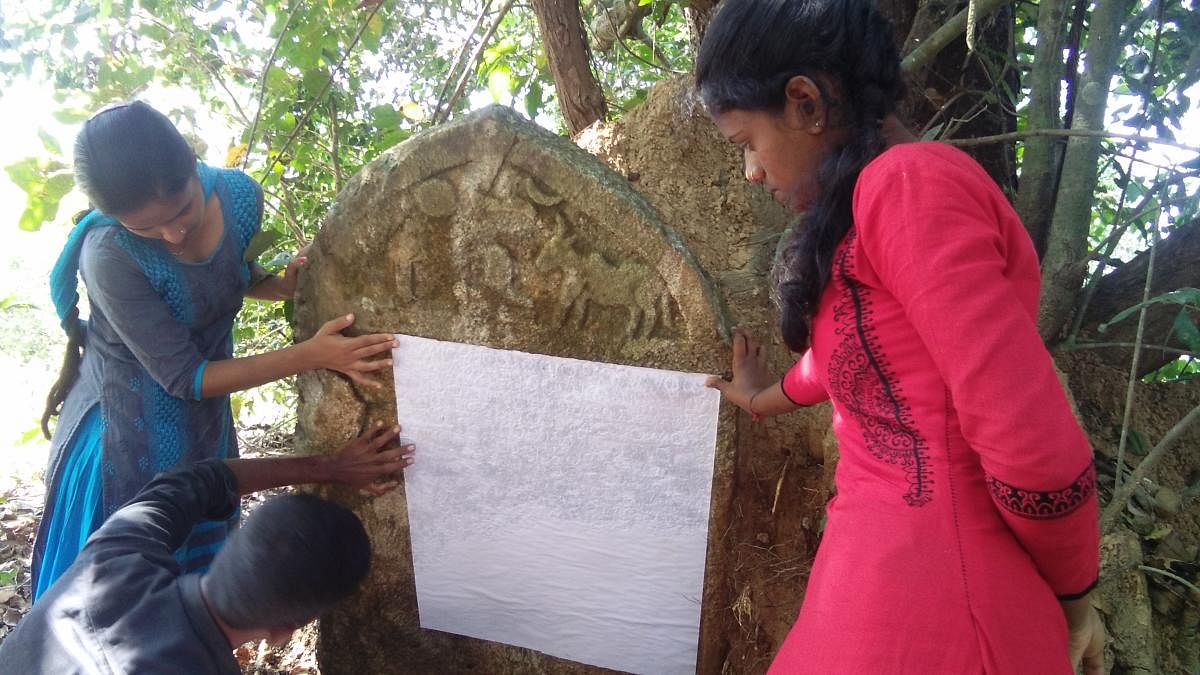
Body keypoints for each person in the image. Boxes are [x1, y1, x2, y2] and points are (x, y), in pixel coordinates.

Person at [697, 0, 1104, 672]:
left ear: (805, 102)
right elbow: (838, 365)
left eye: (746, 144)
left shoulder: (910, 184)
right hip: (864, 594)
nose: (752, 172)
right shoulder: (864, 212)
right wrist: (760, 398)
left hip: (945, 612)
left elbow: (1036, 451)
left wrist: (1075, 608)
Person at [33, 100, 400, 600]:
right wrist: (312, 355)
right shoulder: (109, 255)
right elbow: (186, 378)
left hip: (204, 418)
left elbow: (226, 278)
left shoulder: (240, 197)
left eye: (182, 210)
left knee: (201, 552)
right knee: (128, 594)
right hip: (126, 431)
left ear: (191, 164)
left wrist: (280, 285)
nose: (174, 234)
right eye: (148, 228)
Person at [1, 423, 412, 674]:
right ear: (288, 630)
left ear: (234, 541)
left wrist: (327, 467)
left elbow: (196, 480)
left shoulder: (114, 560)